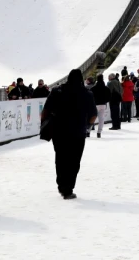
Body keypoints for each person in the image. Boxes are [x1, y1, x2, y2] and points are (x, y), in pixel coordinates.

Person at [40, 69, 97, 199]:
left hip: (59, 132)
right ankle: (68, 188)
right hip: (78, 132)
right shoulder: (87, 94)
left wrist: (45, 125)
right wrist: (87, 127)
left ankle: (61, 185)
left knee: (60, 158)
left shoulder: (56, 91)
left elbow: (45, 111)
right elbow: (93, 115)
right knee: (74, 161)